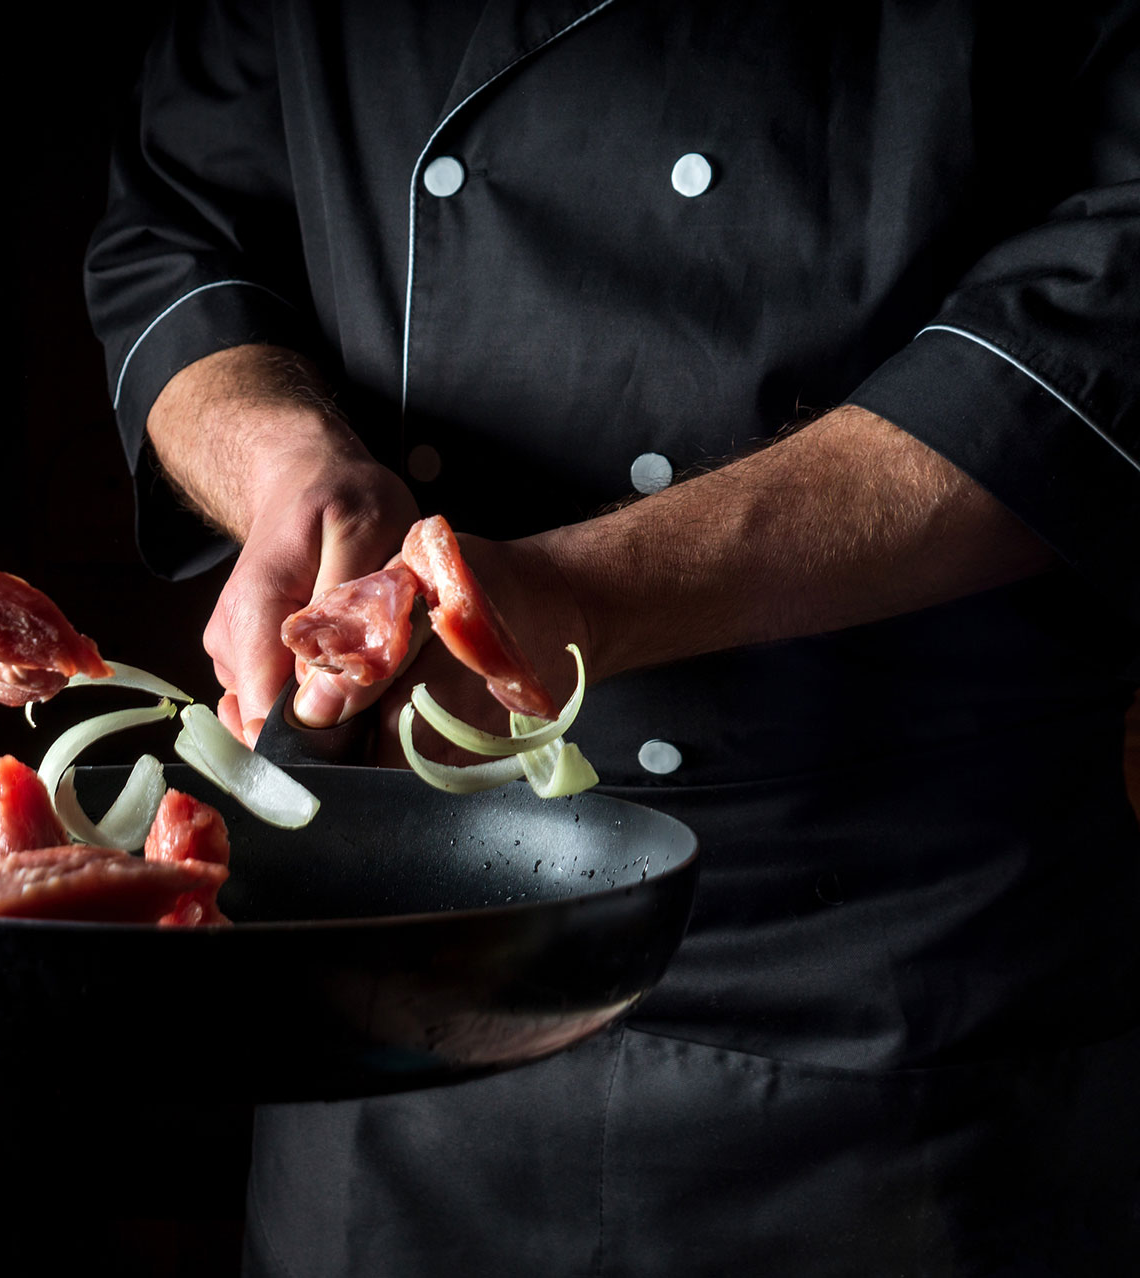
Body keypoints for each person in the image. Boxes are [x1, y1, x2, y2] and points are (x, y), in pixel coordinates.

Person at [86, 3, 1140, 1274]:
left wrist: (579, 597)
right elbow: (181, 231)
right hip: (390, 960)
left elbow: (1106, 305)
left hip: (901, 970)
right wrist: (282, 469)